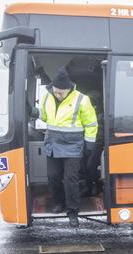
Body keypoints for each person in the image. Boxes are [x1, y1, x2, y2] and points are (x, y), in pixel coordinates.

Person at [40, 66, 98, 227]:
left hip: (73, 145)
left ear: (69, 90)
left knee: (70, 179)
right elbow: (44, 116)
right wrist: (34, 112)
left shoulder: (82, 99)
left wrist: (89, 144)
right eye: (56, 91)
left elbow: (91, 124)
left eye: (61, 93)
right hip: (52, 143)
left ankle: (73, 211)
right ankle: (58, 202)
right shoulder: (47, 97)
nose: (58, 95)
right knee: (53, 177)